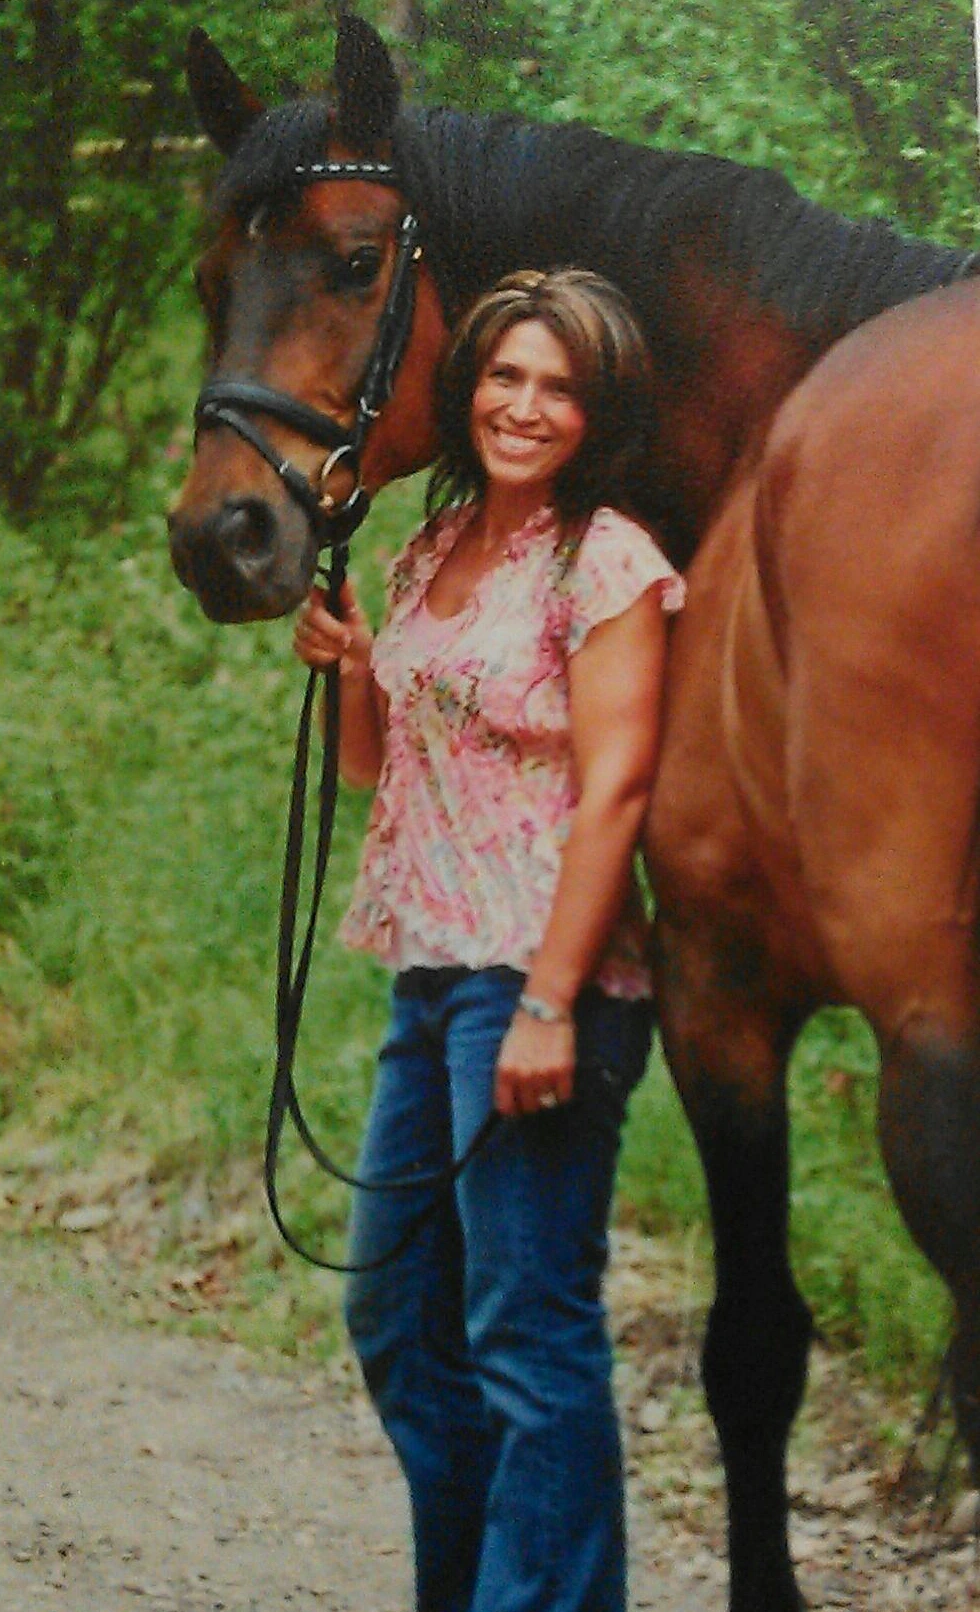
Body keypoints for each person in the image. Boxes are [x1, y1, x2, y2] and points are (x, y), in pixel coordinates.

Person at [293, 268, 684, 1612]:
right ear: (469, 390)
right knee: (399, 1319)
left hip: (537, 979)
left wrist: (551, 1003)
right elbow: (374, 772)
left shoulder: (609, 558)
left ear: (598, 408)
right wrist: (353, 665)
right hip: (431, 976)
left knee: (528, 1335)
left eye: (559, 386)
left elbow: (618, 786)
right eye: (506, 376)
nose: (525, 406)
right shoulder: (430, 545)